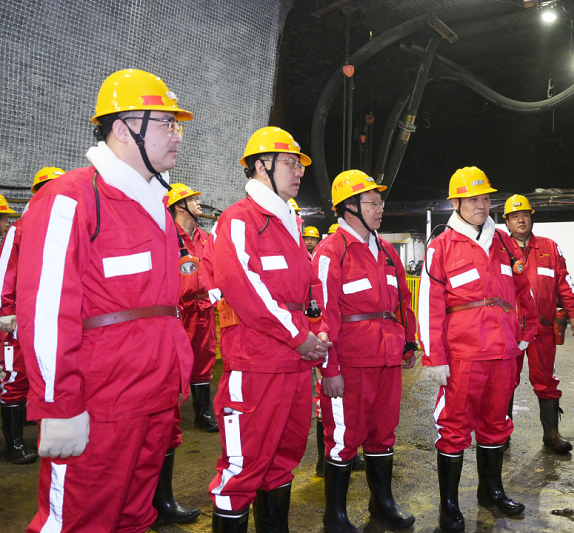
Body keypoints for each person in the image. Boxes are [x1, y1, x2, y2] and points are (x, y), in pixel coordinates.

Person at [17, 68, 196, 532]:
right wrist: (58, 407)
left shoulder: (156, 208)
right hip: (97, 405)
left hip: (153, 398)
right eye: (166, 123)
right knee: (77, 520)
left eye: (176, 125)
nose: (177, 136)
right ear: (122, 128)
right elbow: (45, 314)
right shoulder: (69, 198)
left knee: (134, 517)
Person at [207, 126, 331, 533]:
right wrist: (299, 337)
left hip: (294, 365)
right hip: (256, 364)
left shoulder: (289, 221)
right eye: (291, 163)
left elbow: (307, 290)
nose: (299, 171)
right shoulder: (239, 219)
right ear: (262, 166)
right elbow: (246, 289)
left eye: (300, 164)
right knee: (242, 470)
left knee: (281, 463)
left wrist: (317, 331)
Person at [419, 167, 538, 533]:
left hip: (502, 352)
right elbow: (429, 304)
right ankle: (449, 505)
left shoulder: (503, 242)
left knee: (496, 423)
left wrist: (527, 331)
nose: (481, 205)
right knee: (454, 427)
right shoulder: (441, 246)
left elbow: (524, 288)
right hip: (463, 354)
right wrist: (434, 357)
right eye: (473, 199)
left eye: (485, 198)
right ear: (456, 203)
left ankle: (492, 491)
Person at [313, 169, 418, 533]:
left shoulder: (387, 252)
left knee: (383, 432)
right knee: (343, 438)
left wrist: (408, 342)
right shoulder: (331, 250)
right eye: (373, 202)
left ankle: (382, 503)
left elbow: (403, 302)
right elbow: (323, 314)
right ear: (350, 207)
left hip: (387, 358)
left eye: (379, 201)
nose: (380, 208)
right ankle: (335, 517)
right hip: (350, 363)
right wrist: (329, 369)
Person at [502, 194, 574, 454]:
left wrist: (573, 311)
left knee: (546, 380)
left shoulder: (549, 247)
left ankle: (552, 435)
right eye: (515, 216)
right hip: (510, 331)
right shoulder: (500, 249)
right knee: (505, 381)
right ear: (507, 221)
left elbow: (563, 282)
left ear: (531, 218)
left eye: (525, 215)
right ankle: (500, 434)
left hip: (543, 328)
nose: (521, 220)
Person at [166, 183, 218, 433]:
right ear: (179, 206)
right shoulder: (167, 236)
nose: (199, 202)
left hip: (204, 306)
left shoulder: (204, 238)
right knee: (173, 361)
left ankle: (203, 414)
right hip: (180, 309)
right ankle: (168, 416)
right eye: (192, 199)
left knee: (204, 358)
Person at [0, 185, 36, 465]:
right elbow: (5, 273)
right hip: (16, 320)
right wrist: (6, 311)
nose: (6, 221)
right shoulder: (20, 230)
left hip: (41, 319)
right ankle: (14, 444)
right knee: (14, 375)